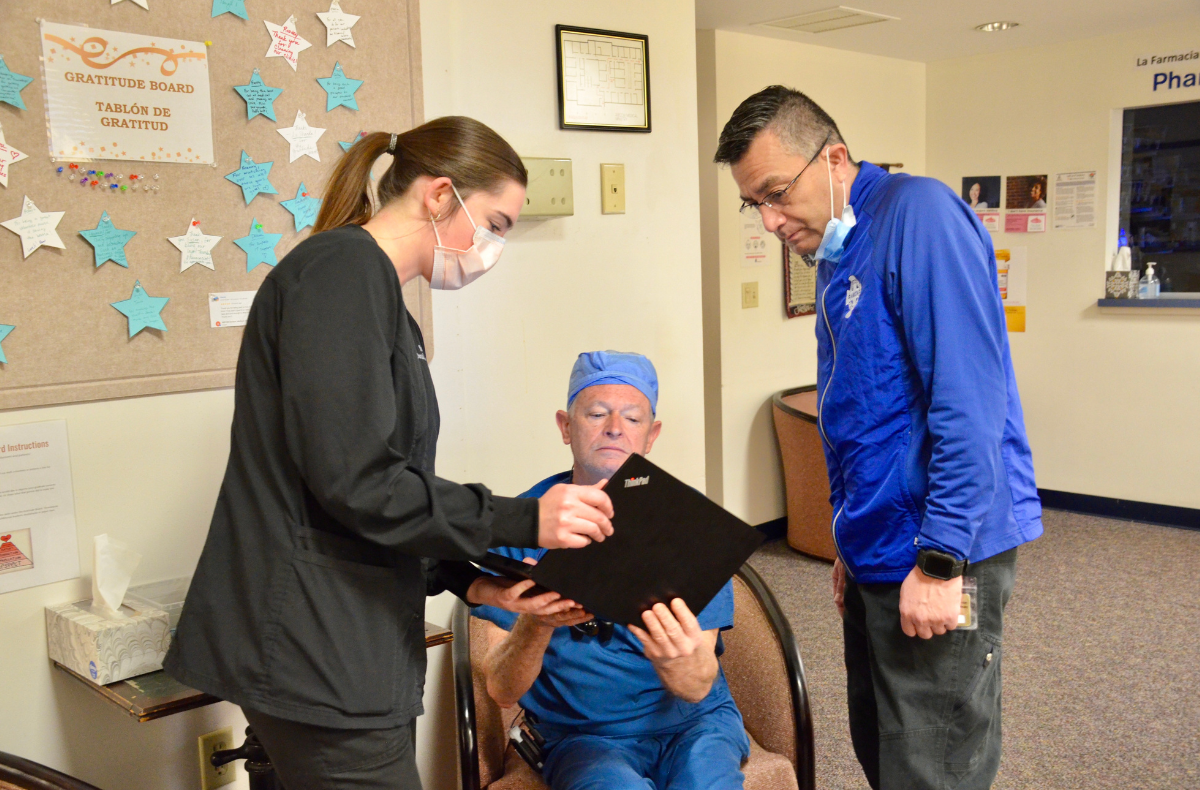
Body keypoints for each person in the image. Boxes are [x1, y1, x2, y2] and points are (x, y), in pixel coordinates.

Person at [164, 118, 615, 790]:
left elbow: (385, 485)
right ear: (439, 196)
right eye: (495, 223)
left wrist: (472, 579)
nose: (492, 247)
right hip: (315, 646)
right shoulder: (339, 274)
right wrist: (527, 519)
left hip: (346, 630)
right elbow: (359, 481)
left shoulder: (381, 302)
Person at [714, 86, 1042, 790]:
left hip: (937, 546)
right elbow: (862, 412)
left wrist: (942, 559)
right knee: (886, 749)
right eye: (754, 204)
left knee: (933, 761)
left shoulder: (919, 217)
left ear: (834, 157)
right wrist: (848, 540)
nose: (770, 221)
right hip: (877, 546)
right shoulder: (837, 243)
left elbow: (969, 402)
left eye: (776, 193)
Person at [473, 351, 751, 790]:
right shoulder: (522, 523)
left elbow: (698, 686)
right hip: (584, 737)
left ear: (652, 434)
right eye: (597, 413)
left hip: (695, 725)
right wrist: (536, 623)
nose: (615, 428)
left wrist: (673, 657)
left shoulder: (690, 524)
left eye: (633, 418)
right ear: (566, 427)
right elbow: (502, 691)